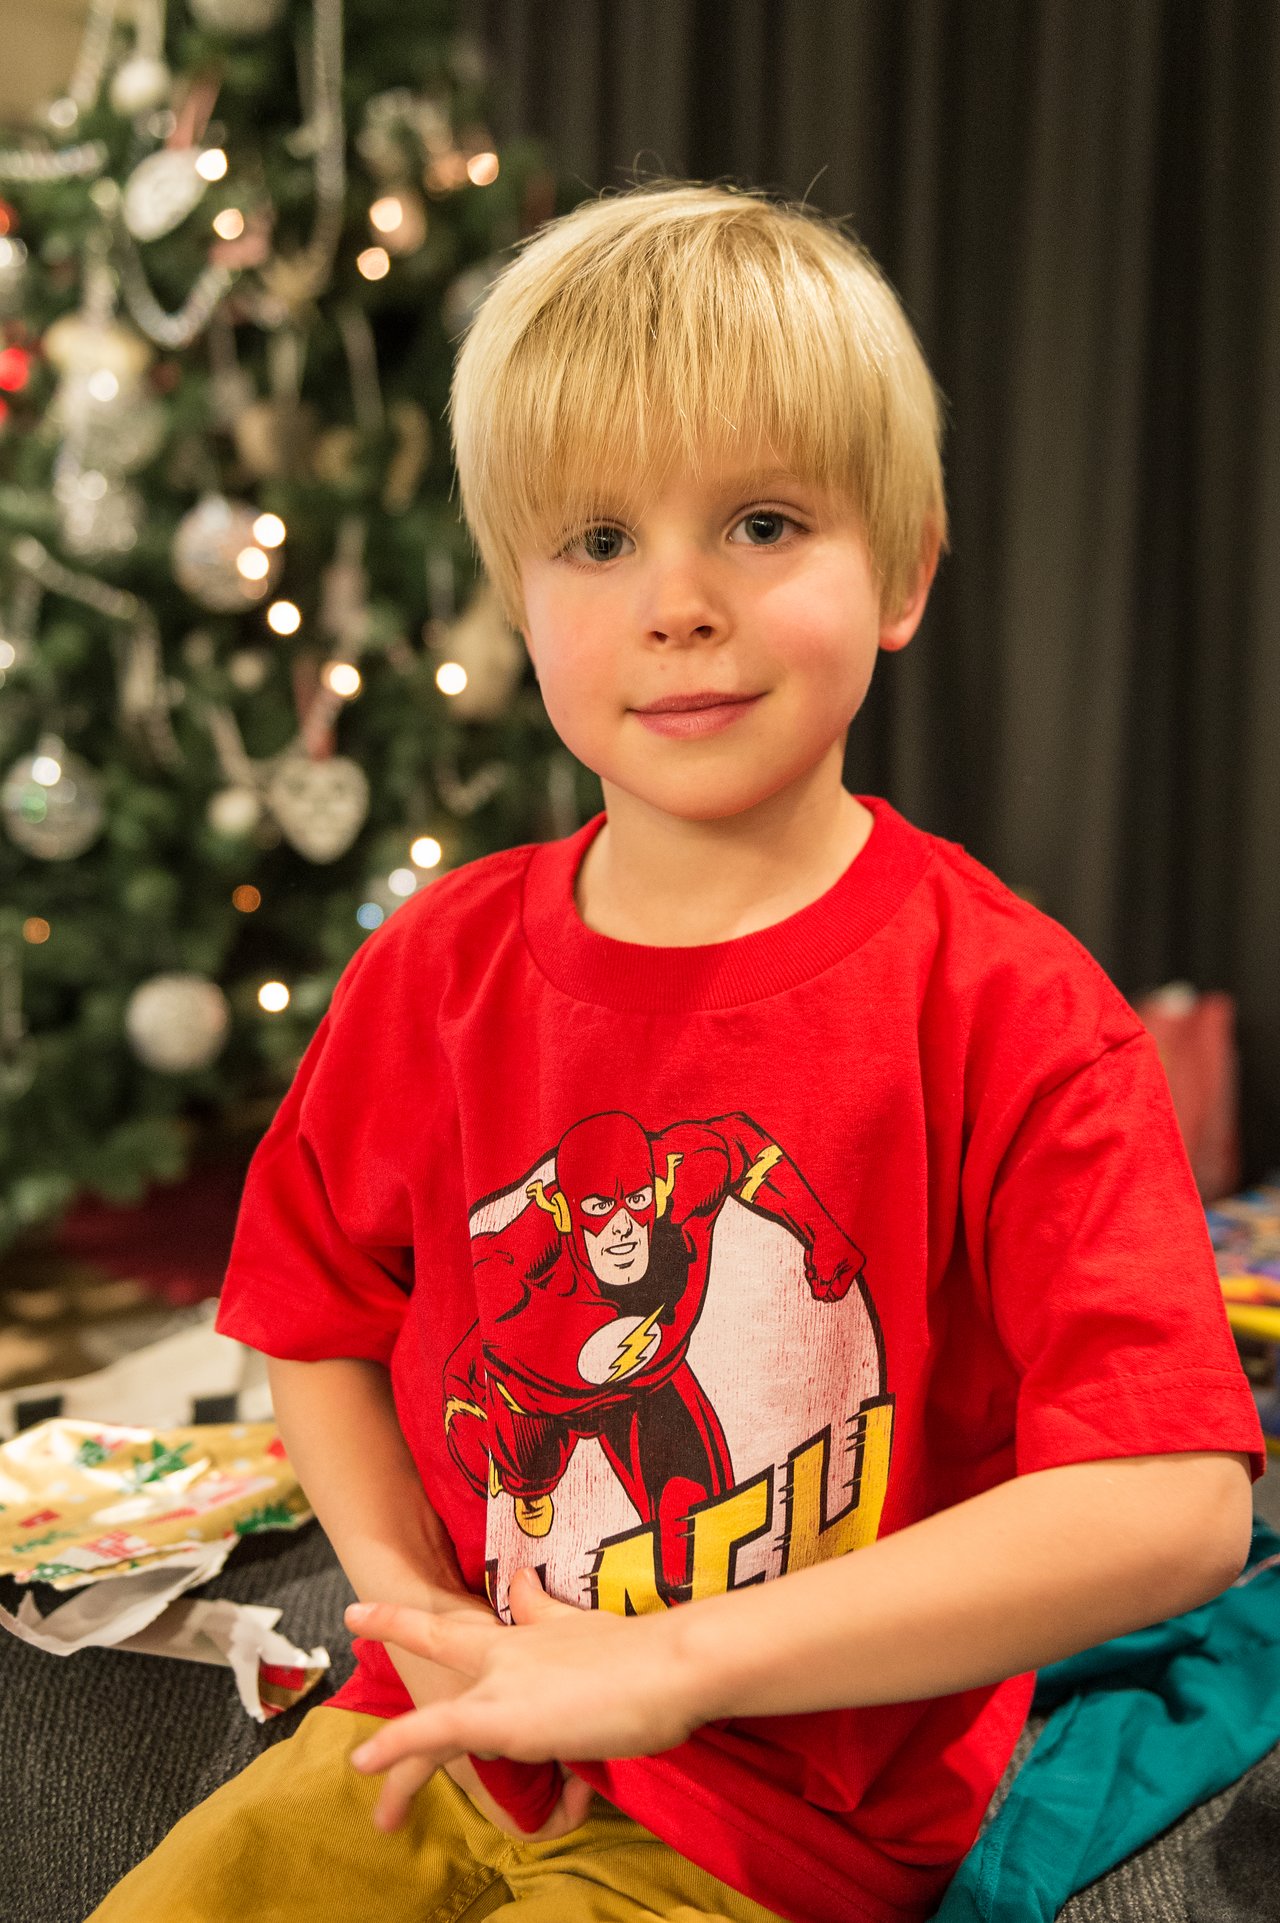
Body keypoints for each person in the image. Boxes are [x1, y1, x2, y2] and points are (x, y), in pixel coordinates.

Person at [88, 179, 1265, 1923]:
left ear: (906, 571)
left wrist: (680, 1666)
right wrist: (409, 1609)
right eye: (600, 542)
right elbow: (309, 1314)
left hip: (782, 1825)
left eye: (766, 523)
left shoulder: (1012, 1008)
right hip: (445, 1731)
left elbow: (1173, 1509)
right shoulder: (436, 973)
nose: (680, 604)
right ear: (519, 594)